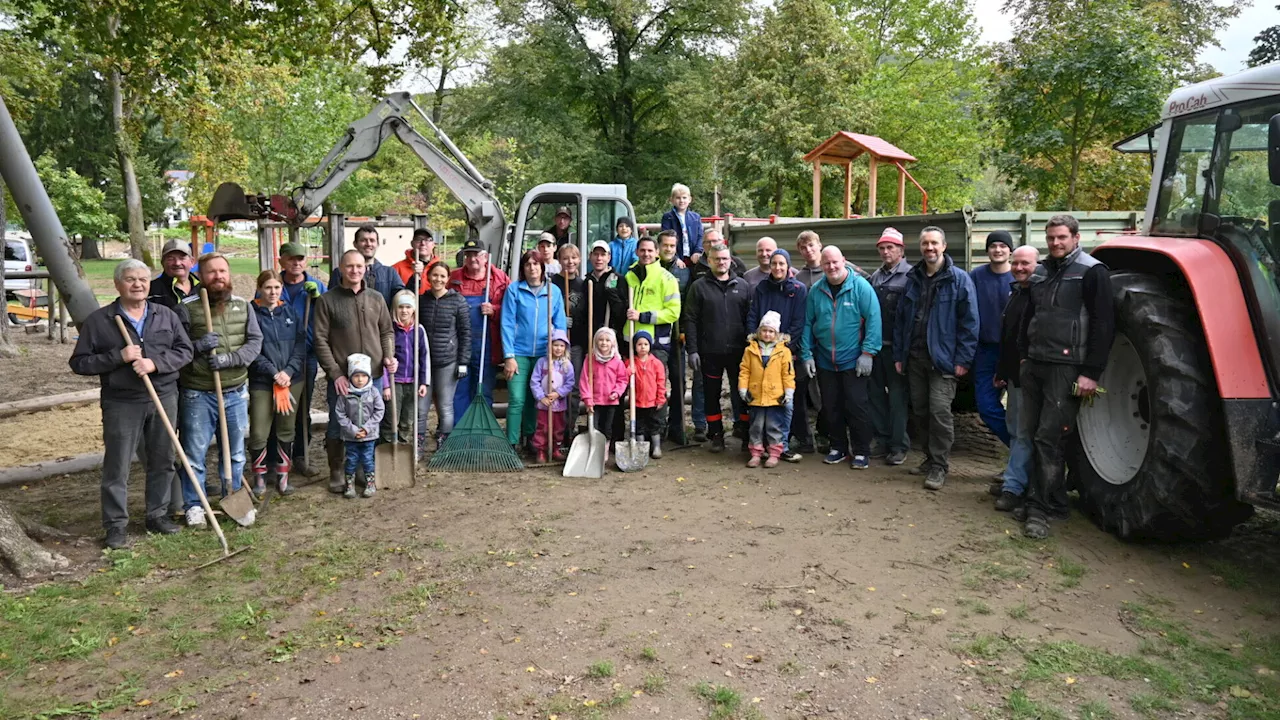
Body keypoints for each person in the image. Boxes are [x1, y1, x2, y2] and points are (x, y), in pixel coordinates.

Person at [70, 259, 193, 548]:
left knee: (162, 459)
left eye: (142, 279)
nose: (137, 284)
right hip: (122, 402)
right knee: (118, 465)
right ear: (117, 284)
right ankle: (115, 525)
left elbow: (185, 351)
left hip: (162, 395)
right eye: (130, 279)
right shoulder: (100, 321)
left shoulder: (165, 315)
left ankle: (157, 515)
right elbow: (79, 362)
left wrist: (155, 363)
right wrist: (118, 357)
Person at [1017, 215, 1114, 539]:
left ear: (1075, 237)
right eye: (1051, 238)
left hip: (1067, 367)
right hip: (1035, 363)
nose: (1055, 243)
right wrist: (1023, 355)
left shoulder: (1092, 271)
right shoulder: (1042, 270)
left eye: (1061, 237)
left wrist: (1091, 373)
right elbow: (1030, 314)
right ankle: (1053, 501)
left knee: (1050, 438)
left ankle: (1038, 511)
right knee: (1033, 435)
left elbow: (1104, 323)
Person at [174, 253, 263, 526]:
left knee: (235, 454)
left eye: (222, 271)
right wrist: (197, 347)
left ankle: (234, 498)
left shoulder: (243, 306)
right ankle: (194, 505)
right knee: (195, 454)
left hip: (235, 392)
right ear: (200, 276)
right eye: (211, 272)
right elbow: (175, 351)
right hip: (198, 393)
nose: (218, 277)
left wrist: (230, 359)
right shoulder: (186, 309)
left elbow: (255, 341)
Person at [893, 227, 980, 491]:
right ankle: (930, 459)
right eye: (924, 244)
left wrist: (963, 359)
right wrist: (899, 354)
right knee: (920, 411)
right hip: (915, 357)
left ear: (943, 246)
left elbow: (970, 322)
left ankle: (940, 466)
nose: (929, 248)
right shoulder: (913, 278)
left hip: (943, 361)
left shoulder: (959, 280)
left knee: (940, 412)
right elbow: (901, 320)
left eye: (934, 243)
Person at [315, 249, 397, 494]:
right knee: (338, 423)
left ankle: (363, 467)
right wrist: (335, 373)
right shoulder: (327, 301)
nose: (355, 270)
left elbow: (387, 332)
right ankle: (338, 469)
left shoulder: (376, 298)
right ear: (340, 268)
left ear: (366, 268)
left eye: (359, 266)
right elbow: (320, 339)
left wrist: (388, 356)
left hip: (372, 375)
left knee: (370, 422)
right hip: (342, 378)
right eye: (349, 266)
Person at [800, 247, 881, 470]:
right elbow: (807, 323)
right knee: (831, 407)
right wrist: (806, 355)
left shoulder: (861, 287)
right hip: (825, 360)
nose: (831, 267)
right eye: (827, 264)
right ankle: (838, 448)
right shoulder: (816, 291)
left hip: (853, 360)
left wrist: (868, 353)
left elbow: (874, 320)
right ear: (822, 265)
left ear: (844, 261)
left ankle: (862, 451)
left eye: (835, 262)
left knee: (857, 406)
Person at [684, 243, 751, 452]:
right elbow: (691, 319)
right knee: (711, 395)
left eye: (724, 258)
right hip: (709, 352)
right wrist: (692, 350)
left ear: (730, 260)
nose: (721, 262)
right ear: (709, 261)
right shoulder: (699, 287)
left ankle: (745, 433)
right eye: (717, 259)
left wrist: (751, 348)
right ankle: (716, 435)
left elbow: (750, 318)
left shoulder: (742, 285)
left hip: (738, 352)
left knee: (742, 394)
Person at [617, 236, 681, 450]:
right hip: (631, 343)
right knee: (634, 389)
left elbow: (673, 312)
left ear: (656, 253)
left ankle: (656, 434)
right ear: (637, 252)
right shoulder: (629, 276)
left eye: (650, 250)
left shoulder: (667, 278)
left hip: (656, 345)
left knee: (656, 390)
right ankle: (638, 432)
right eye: (642, 250)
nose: (646, 254)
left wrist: (643, 317)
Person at [247, 270, 306, 496]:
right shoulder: (252, 314)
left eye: (277, 288)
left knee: (286, 428)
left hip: (292, 380)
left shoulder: (289, 313)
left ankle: (283, 476)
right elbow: (252, 350)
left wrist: (288, 372)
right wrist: (274, 373)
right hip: (263, 380)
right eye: (268, 287)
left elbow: (300, 346)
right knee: (260, 431)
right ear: (260, 288)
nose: (273, 292)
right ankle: (260, 478)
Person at [501, 249, 567, 449]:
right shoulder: (514, 290)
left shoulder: (553, 291)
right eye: (528, 264)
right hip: (519, 353)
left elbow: (560, 324)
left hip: (543, 354)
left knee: (534, 399)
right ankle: (512, 441)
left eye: (536, 264)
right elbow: (507, 323)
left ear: (542, 267)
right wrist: (509, 356)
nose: (532, 268)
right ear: (523, 268)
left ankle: (531, 438)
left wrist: (558, 353)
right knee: (517, 398)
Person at [746, 249, 807, 462]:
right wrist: (753, 337)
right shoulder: (762, 288)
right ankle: (759, 446)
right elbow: (753, 314)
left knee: (785, 403)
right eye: (774, 264)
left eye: (782, 264)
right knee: (760, 403)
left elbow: (800, 321)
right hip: (760, 352)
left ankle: (782, 446)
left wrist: (785, 344)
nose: (778, 268)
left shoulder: (799, 290)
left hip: (785, 352)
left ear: (788, 266)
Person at [993, 246, 1039, 512]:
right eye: (1016, 263)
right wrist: (1002, 372)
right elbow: (1008, 337)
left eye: (1026, 264)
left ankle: (1014, 487)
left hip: (1028, 377)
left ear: (1037, 264)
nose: (1020, 268)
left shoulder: (1039, 294)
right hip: (1012, 375)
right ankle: (1016, 477)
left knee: (1023, 433)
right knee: (1014, 429)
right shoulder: (1016, 292)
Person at [277, 241, 326, 476]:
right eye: (291, 259)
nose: (296, 263)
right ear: (281, 261)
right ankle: (277, 459)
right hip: (279, 358)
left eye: (300, 259)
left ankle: (300, 456)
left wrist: (318, 300)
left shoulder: (316, 286)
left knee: (302, 409)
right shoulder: (272, 285)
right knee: (279, 408)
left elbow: (328, 316)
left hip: (306, 356)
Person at [449, 240, 510, 420]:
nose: (472, 258)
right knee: (459, 390)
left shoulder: (499, 278)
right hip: (459, 345)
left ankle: (481, 432)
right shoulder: (453, 278)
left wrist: (494, 310)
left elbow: (512, 309)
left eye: (476, 254)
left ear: (485, 257)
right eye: (468, 254)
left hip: (487, 343)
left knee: (483, 390)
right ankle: (459, 433)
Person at [867, 228, 913, 466]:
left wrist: (904, 352)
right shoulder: (876, 277)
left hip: (896, 349)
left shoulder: (910, 276)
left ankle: (898, 445)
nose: (885, 252)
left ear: (901, 250)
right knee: (875, 396)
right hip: (875, 348)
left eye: (890, 248)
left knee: (897, 399)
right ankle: (883, 439)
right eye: (882, 248)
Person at [971, 230, 1014, 451]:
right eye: (993, 246)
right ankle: (1018, 448)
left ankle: (1021, 459)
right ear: (987, 250)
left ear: (1010, 250)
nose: (998, 250)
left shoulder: (1019, 277)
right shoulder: (975, 277)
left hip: (1015, 352)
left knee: (1019, 409)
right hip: (985, 351)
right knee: (987, 407)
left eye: (1002, 246)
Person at [419, 262, 470, 449]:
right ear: (428, 277)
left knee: (445, 406)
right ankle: (419, 445)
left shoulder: (458, 301)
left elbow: (465, 333)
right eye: (434, 275)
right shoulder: (421, 301)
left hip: (447, 361)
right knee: (421, 409)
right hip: (424, 363)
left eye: (442, 276)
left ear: (448, 279)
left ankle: (443, 443)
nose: (438, 279)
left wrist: (463, 361)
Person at [740, 311, 796, 468]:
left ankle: (774, 453)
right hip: (756, 395)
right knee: (756, 426)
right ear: (759, 332)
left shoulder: (783, 351)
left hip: (775, 396)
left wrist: (788, 392)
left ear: (776, 334)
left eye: (771, 331)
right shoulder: (750, 350)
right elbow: (744, 371)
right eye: (764, 330)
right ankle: (756, 453)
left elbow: (788, 374)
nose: (767, 334)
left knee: (774, 426)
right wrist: (743, 389)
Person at [381, 290, 430, 451]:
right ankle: (388, 448)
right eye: (401, 307)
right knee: (391, 419)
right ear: (395, 308)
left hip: (413, 382)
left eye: (408, 307)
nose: (404, 311)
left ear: (414, 309)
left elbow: (424, 357)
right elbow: (384, 358)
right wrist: (386, 384)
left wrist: (424, 382)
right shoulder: (390, 332)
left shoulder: (419, 330)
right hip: (395, 382)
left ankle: (402, 447)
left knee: (407, 419)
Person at [551, 244, 587, 451]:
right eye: (565, 258)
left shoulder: (583, 285)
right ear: (559, 260)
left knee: (572, 389)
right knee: (555, 385)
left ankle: (568, 430)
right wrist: (559, 323)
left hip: (576, 344)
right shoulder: (553, 284)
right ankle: (553, 430)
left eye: (574, 258)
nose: (570, 262)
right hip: (556, 343)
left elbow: (587, 315)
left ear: (579, 260)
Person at [335, 353, 385, 498]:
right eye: (356, 376)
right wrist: (353, 430)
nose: (360, 379)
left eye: (363, 376)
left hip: (369, 435)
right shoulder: (345, 394)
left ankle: (370, 483)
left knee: (368, 459)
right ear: (350, 377)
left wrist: (366, 428)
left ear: (369, 377)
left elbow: (379, 411)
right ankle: (349, 484)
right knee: (351, 459)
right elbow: (340, 413)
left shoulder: (373, 392)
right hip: (351, 436)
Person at [580, 327, 628, 468]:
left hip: (611, 400)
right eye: (600, 340)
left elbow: (622, 379)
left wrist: (617, 392)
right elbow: (585, 380)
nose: (604, 343)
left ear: (613, 343)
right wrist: (587, 399)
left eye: (607, 340)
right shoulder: (590, 360)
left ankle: (604, 450)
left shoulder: (617, 361)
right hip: (594, 401)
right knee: (594, 427)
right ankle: (594, 450)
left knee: (607, 428)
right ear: (595, 342)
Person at [327, 225, 405, 306]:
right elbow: (331, 302)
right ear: (355, 244)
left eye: (372, 240)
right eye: (363, 240)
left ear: (377, 244)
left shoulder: (390, 273)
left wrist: (414, 279)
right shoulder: (340, 272)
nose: (368, 244)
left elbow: (404, 300)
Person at [530, 329, 577, 463]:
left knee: (558, 427)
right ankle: (541, 451)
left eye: (561, 346)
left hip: (559, 404)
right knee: (542, 427)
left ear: (565, 348)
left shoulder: (567, 365)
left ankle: (556, 448)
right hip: (543, 404)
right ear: (550, 346)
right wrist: (541, 397)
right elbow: (535, 381)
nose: (558, 348)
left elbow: (570, 383)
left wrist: (558, 393)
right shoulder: (542, 363)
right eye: (555, 345)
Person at [627, 330, 668, 457]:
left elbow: (661, 382)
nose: (642, 347)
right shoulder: (631, 363)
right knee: (639, 425)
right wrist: (628, 371)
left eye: (645, 344)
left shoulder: (656, 363)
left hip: (652, 402)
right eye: (639, 344)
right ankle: (640, 448)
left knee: (654, 424)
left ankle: (656, 447)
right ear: (635, 347)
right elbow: (623, 377)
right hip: (637, 402)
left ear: (650, 346)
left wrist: (660, 398)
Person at [148, 239, 201, 310]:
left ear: (192, 262)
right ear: (162, 263)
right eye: (170, 259)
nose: (177, 263)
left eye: (182, 258)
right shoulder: (151, 290)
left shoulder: (202, 286)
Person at [661, 183, 703, 265]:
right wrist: (675, 258)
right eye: (678, 198)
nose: (681, 201)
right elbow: (666, 238)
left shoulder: (695, 217)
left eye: (684, 198)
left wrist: (697, 251)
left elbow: (700, 236)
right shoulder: (668, 217)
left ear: (689, 199)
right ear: (672, 200)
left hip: (693, 256)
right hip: (676, 257)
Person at [394, 228, 441, 295]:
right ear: (412, 243)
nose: (423, 243)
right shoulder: (396, 269)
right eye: (419, 239)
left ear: (433, 244)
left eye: (427, 240)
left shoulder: (441, 269)